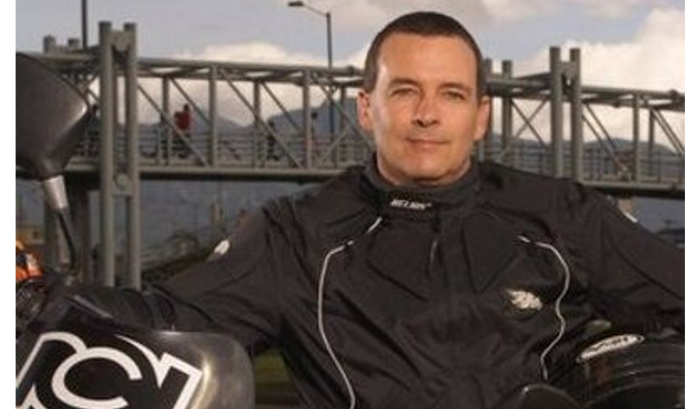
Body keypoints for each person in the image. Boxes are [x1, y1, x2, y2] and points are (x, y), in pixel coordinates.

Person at [15, 11, 685, 409]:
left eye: (451, 94)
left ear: (480, 114)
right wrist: (38, 293)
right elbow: (168, 318)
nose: (427, 114)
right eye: (405, 91)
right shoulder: (297, 235)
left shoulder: (558, 215)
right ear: (367, 108)